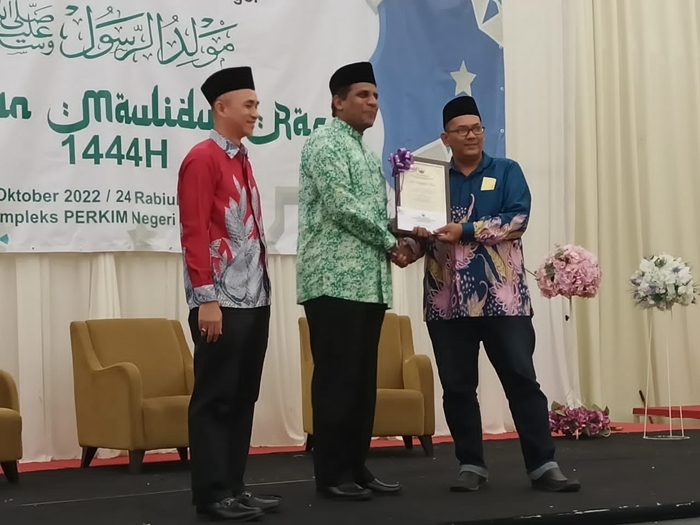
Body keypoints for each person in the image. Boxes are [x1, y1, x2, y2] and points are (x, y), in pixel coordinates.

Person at [408, 95, 581, 493]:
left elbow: (517, 219)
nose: (471, 135)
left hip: (504, 301)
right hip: (446, 302)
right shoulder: (431, 181)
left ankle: (543, 465)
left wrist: (466, 230)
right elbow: (424, 232)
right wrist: (407, 247)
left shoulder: (506, 171)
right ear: (445, 138)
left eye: (477, 128)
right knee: (457, 388)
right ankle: (471, 465)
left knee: (521, 380)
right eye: (461, 130)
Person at [296, 61, 413, 501]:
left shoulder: (364, 151)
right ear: (337, 101)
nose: (372, 103)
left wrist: (409, 235)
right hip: (333, 281)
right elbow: (341, 206)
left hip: (367, 283)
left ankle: (355, 466)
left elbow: (376, 213)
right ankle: (331, 474)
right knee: (337, 379)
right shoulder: (325, 142)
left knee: (362, 382)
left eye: (376, 96)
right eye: (363, 95)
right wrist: (390, 242)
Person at [177, 66, 281, 521]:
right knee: (215, 398)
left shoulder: (242, 159)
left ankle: (235, 488)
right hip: (220, 301)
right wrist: (206, 299)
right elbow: (194, 231)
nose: (256, 112)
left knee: (242, 397)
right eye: (249, 104)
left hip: (254, 297)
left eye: (257, 104)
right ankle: (211, 494)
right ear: (221, 108)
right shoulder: (203, 158)